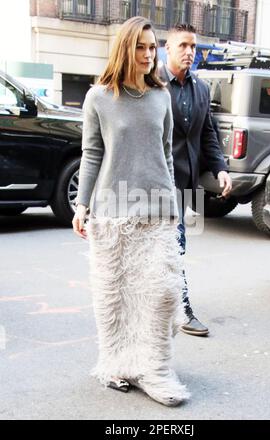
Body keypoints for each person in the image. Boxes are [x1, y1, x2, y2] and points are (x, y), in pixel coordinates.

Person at [72, 16, 190, 407]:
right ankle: (118, 366)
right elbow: (92, 154)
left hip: (157, 211)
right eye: (139, 46)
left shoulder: (161, 97)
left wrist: (174, 207)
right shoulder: (100, 97)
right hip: (112, 211)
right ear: (125, 48)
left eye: (151, 46)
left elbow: (167, 156)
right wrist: (82, 205)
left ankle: (155, 368)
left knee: (162, 292)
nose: (147, 53)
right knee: (116, 296)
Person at [159, 24, 232, 337]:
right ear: (168, 48)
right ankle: (181, 308)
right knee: (173, 244)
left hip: (186, 182)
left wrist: (220, 168)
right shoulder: (153, 85)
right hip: (156, 181)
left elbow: (207, 134)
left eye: (194, 47)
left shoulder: (201, 89)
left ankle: (166, 303)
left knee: (173, 246)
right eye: (183, 46)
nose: (190, 52)